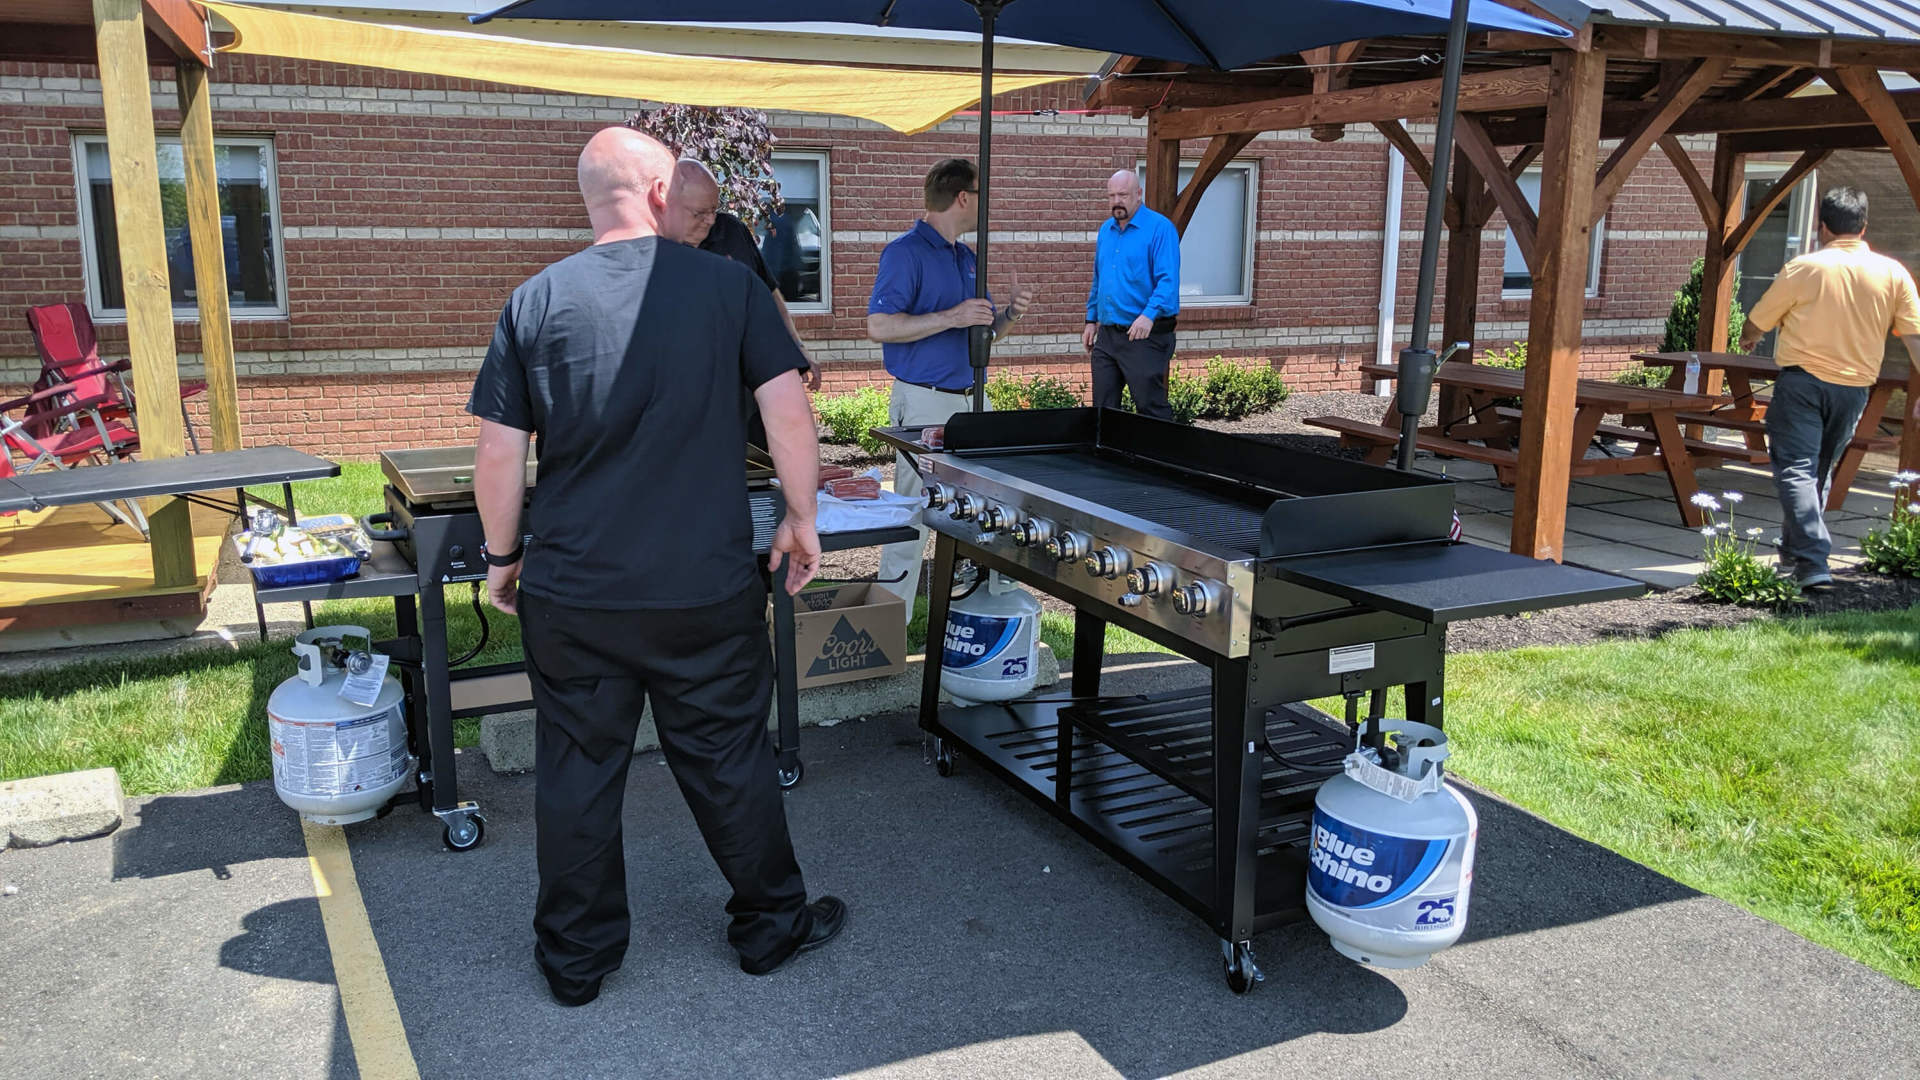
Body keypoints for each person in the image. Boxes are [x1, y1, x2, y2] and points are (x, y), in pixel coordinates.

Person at [467, 127, 844, 1006]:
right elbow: (789, 414)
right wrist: (802, 518)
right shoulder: (729, 289)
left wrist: (500, 557)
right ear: (662, 187)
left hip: (574, 589)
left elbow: (497, 457)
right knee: (727, 758)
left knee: (577, 769)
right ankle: (770, 928)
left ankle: (575, 961)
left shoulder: (532, 301)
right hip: (701, 586)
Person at [867, 157, 1034, 604]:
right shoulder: (904, 253)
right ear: (963, 197)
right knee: (914, 515)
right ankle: (888, 630)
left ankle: (996, 610)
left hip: (973, 401)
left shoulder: (967, 256)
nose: (985, 205)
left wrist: (1011, 314)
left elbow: (985, 334)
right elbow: (880, 326)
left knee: (999, 508)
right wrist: (950, 317)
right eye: (981, 195)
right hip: (923, 403)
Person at [1740, 186, 1920, 591]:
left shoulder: (1805, 268)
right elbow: (1915, 338)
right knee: (1816, 473)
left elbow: (1759, 320)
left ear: (1822, 226)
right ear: (1864, 226)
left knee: (1797, 470)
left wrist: (1749, 336)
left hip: (1802, 384)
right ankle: (1794, 554)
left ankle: (1813, 560)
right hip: (1854, 390)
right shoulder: (1893, 273)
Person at [661, 158, 822, 391]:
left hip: (747, 384)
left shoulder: (732, 231)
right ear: (670, 204)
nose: (710, 220)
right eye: (699, 213)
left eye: (713, 209)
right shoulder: (655, 252)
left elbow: (770, 294)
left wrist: (797, 347)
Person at [1083, 169, 1181, 420]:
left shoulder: (1160, 229)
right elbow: (1099, 277)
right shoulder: (1106, 230)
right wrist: (1090, 320)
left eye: (1123, 194)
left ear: (1139, 194)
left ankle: (1158, 457)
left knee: (1150, 409)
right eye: (1112, 195)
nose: (1117, 201)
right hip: (1107, 336)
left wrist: (1148, 316)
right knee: (1102, 410)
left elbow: (1168, 281)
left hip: (1145, 336)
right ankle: (1108, 459)